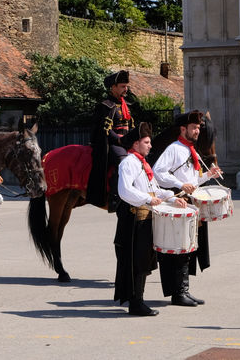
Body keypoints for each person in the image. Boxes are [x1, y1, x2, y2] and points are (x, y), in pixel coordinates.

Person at [114, 122, 187, 316]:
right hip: (133, 221)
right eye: (146, 142)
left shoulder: (142, 163)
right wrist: (148, 199)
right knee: (135, 262)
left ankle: (138, 300)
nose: (150, 145)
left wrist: (172, 198)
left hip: (145, 218)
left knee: (143, 260)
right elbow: (125, 190)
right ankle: (135, 302)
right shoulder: (128, 163)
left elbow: (155, 190)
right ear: (136, 144)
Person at [152, 111, 222, 307]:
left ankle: (184, 290)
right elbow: (158, 173)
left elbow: (192, 181)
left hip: (191, 202)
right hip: (178, 203)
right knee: (179, 249)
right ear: (183, 129)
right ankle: (177, 293)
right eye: (194, 128)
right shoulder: (174, 149)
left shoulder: (192, 150)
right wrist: (179, 185)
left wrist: (208, 175)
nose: (197, 131)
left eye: (199, 128)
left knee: (188, 248)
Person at [87, 70, 136, 209]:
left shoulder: (126, 105)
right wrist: (120, 141)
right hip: (112, 143)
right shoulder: (106, 106)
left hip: (126, 142)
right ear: (113, 87)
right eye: (122, 86)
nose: (125, 89)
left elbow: (129, 126)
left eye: (126, 86)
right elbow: (105, 130)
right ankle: (115, 198)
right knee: (123, 161)